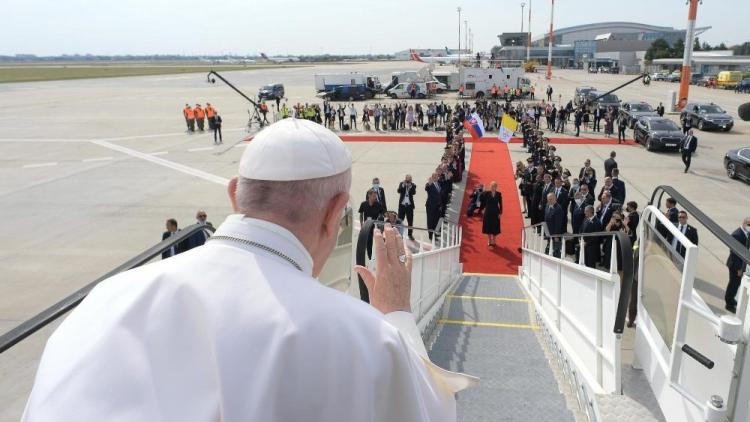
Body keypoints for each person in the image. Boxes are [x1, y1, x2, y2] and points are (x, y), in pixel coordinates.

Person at [23, 118, 475, 421]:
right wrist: (395, 314)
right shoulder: (361, 337)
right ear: (334, 212)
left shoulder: (105, 300)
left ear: (235, 194)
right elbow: (430, 412)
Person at [725, 218, 750, 313]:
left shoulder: (746, 233)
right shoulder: (737, 235)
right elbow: (734, 253)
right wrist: (739, 269)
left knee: (736, 284)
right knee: (733, 284)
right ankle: (729, 304)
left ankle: (731, 299)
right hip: (735, 266)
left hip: (741, 265)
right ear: (745, 224)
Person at [481, 181, 503, 248]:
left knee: (495, 226)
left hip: (495, 212)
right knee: (488, 226)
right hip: (488, 212)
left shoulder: (499, 194)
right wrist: (483, 191)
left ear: (496, 187)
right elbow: (481, 198)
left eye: (495, 186)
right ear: (490, 186)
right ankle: (489, 239)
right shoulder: (487, 193)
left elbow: (501, 204)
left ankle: (494, 240)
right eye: (492, 186)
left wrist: (500, 213)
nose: (493, 187)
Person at [544, 192, 565, 258]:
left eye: (551, 199)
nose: (549, 201)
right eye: (548, 199)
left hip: (555, 234)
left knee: (556, 250)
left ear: (555, 199)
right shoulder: (547, 205)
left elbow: (558, 224)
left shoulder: (558, 209)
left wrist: (556, 235)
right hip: (549, 232)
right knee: (550, 247)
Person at [397, 175, 416, 240]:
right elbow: (399, 191)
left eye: (410, 180)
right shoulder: (401, 184)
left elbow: (413, 192)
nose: (408, 181)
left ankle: (410, 234)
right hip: (402, 206)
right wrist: (403, 185)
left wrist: (410, 186)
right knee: (399, 220)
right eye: (407, 180)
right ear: (405, 179)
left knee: (410, 221)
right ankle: (398, 233)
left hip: (409, 206)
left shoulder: (413, 185)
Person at [425, 173, 443, 240]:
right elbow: (426, 188)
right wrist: (429, 183)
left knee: (437, 221)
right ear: (432, 177)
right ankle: (430, 235)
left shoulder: (438, 184)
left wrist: (441, 205)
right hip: (430, 206)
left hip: (438, 206)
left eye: (437, 176)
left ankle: (435, 234)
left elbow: (440, 196)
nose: (436, 178)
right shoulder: (429, 184)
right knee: (430, 221)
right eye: (434, 177)